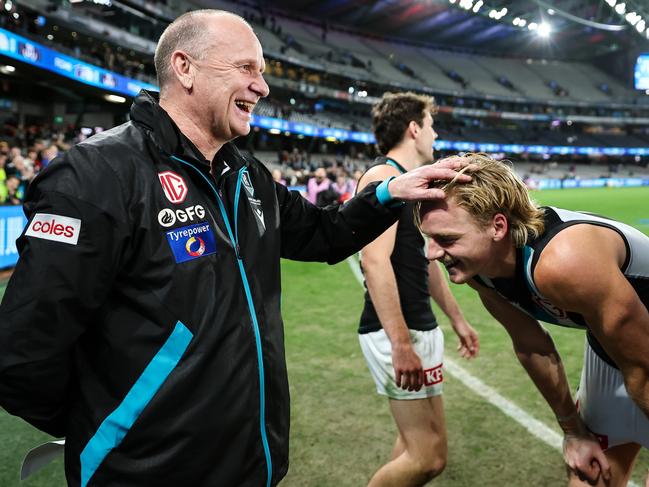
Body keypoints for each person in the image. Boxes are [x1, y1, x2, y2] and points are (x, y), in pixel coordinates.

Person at [0, 10, 472, 487]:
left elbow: (325, 234)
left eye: (262, 71)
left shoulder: (249, 176)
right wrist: (109, 424)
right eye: (246, 68)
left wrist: (390, 193)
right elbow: (22, 353)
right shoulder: (97, 175)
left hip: (251, 465)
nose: (262, 87)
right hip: (143, 473)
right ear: (185, 67)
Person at [417, 153, 649, 487]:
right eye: (430, 238)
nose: (432, 253)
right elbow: (531, 344)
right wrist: (573, 431)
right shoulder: (480, 272)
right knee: (592, 474)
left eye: (447, 239)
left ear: (498, 226)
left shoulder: (564, 262)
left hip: (639, 352)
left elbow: (642, 369)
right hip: (617, 345)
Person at [356, 92, 479, 487]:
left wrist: (457, 320)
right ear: (414, 129)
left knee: (418, 447)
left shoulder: (412, 185)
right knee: (429, 458)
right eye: (430, 124)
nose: (435, 133)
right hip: (398, 330)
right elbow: (374, 262)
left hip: (418, 325)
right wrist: (400, 343)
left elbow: (425, 262)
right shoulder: (382, 179)